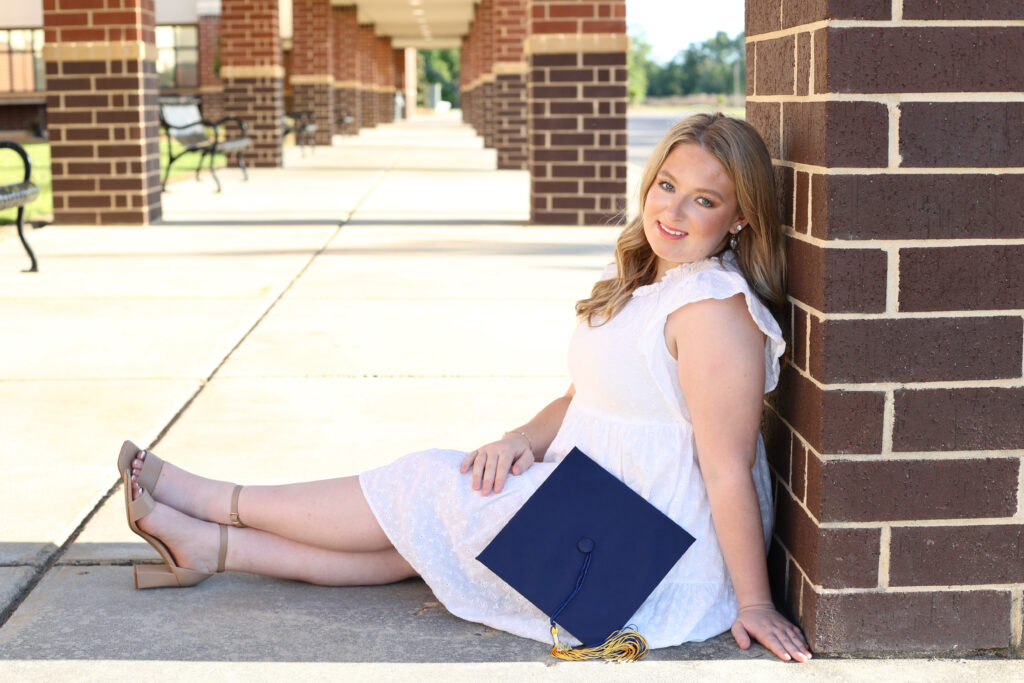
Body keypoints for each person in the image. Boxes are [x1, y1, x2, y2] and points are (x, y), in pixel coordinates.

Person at [119, 113, 811, 663]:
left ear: (740, 216)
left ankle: (217, 501)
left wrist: (753, 601)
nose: (675, 211)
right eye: (668, 185)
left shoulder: (715, 310)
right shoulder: (659, 279)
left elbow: (725, 470)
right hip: (598, 503)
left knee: (424, 484)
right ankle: (212, 548)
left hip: (650, 555)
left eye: (705, 199)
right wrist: (517, 440)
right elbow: (584, 397)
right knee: (425, 530)